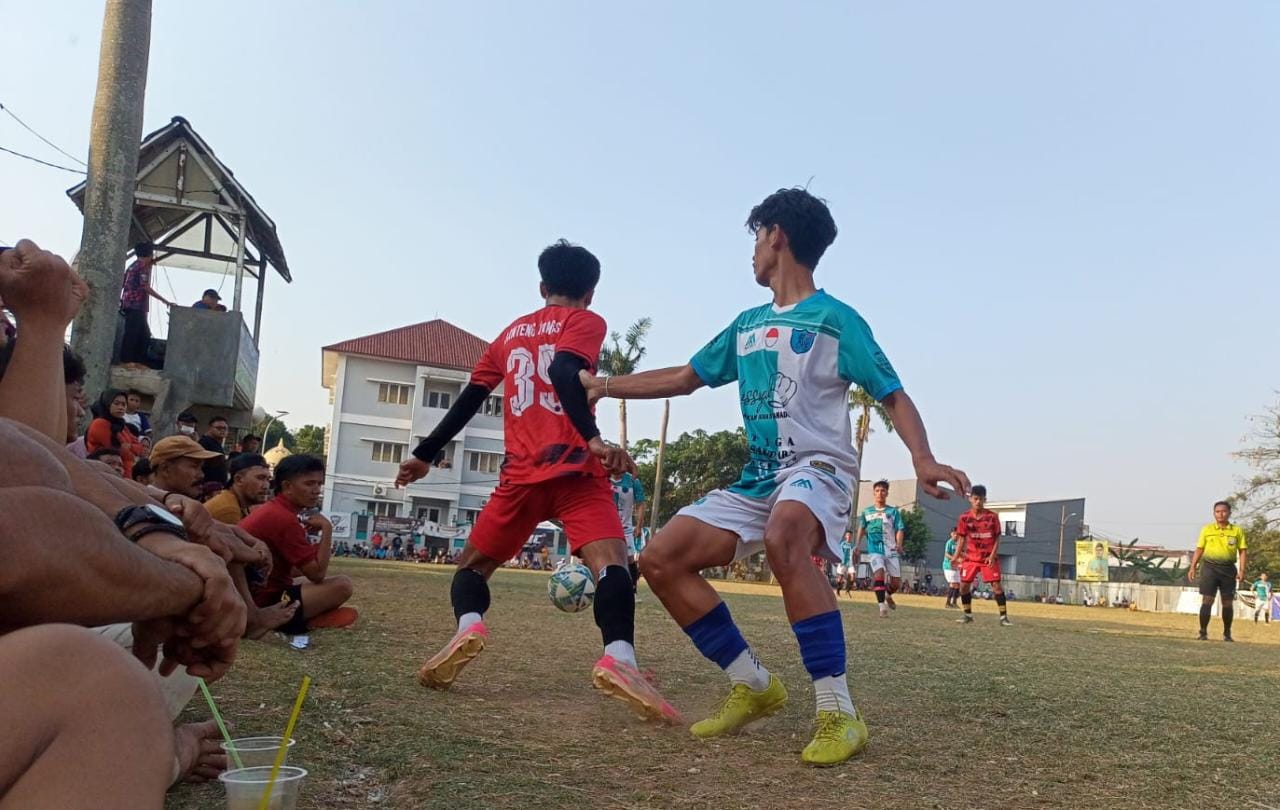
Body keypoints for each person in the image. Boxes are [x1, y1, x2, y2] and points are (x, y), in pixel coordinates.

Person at [579, 188, 969, 765]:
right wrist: (602, 385)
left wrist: (923, 458)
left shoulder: (836, 320)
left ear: (776, 236)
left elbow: (892, 394)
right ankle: (755, 686)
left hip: (819, 472)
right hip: (759, 478)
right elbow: (686, 377)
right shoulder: (747, 325)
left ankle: (840, 712)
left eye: (756, 238)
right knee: (660, 558)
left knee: (788, 535)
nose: (753, 252)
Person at [396, 239, 678, 723]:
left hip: (521, 474)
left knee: (471, 567)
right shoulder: (585, 322)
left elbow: (469, 398)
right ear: (590, 293)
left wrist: (424, 454)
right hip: (575, 470)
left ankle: (469, 625)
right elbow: (564, 367)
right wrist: (591, 437)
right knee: (612, 565)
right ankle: (620, 658)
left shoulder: (508, 336)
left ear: (542, 286)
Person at [241, 454, 357, 635]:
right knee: (342, 585)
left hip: (253, 589)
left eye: (319, 484)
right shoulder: (284, 518)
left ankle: (308, 617)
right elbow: (317, 574)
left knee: (310, 582)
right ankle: (295, 620)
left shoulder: (276, 510)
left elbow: (297, 571)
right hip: (261, 599)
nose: (317, 490)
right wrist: (327, 529)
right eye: (309, 484)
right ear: (287, 487)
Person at [1188, 501, 1247, 642]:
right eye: (1217, 511)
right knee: (1207, 600)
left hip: (1228, 569)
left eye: (1224, 511)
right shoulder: (1207, 530)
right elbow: (1200, 549)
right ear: (1214, 513)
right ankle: (1203, 632)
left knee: (1227, 602)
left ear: (1229, 513)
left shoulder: (1237, 530)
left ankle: (1227, 633)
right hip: (1209, 568)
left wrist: (1242, 570)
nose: (1221, 514)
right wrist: (1193, 566)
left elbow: (1243, 551)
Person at [954, 485, 1010, 626]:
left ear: (985, 499)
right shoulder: (964, 518)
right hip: (971, 558)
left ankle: (1004, 618)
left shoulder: (992, 517)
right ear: (970, 499)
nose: (978, 501)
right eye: (975, 498)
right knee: (963, 587)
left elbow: (997, 538)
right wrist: (955, 556)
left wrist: (992, 555)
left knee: (996, 586)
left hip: (987, 558)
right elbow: (961, 538)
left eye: (981, 499)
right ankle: (967, 615)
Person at [857, 479, 905, 619]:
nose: (880, 493)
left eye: (883, 491)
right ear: (874, 493)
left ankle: (888, 594)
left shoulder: (893, 512)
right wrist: (858, 545)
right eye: (877, 491)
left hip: (891, 550)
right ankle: (882, 607)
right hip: (874, 550)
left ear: (887, 493)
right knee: (879, 575)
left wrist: (899, 544)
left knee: (896, 583)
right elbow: (861, 528)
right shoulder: (867, 512)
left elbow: (900, 528)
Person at [119, 242, 171, 368]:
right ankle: (127, 360)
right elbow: (145, 287)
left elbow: (123, 283)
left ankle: (137, 361)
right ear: (149, 254)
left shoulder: (132, 266)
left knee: (143, 334)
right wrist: (165, 300)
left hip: (129, 303)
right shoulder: (143, 267)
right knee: (133, 333)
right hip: (136, 305)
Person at [85, 388, 148, 478]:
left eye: (124, 404)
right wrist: (129, 450)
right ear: (107, 404)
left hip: (125, 473)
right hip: (105, 474)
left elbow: (139, 448)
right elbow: (114, 450)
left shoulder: (122, 426)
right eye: (116, 403)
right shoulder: (99, 424)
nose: (121, 407)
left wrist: (129, 446)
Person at [204, 453, 271, 524]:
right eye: (260, 478)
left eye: (268, 479)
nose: (266, 486)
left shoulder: (233, 501)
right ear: (239, 480)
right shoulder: (229, 511)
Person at [610, 470, 647, 595]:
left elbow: (641, 504)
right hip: (606, 526)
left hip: (625, 527)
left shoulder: (633, 481)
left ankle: (633, 590)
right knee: (607, 557)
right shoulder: (603, 478)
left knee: (629, 558)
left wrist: (639, 526)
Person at [197, 416, 230, 494]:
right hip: (207, 488)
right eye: (218, 428)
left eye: (224, 428)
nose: (222, 430)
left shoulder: (216, 444)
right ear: (210, 428)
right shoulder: (205, 442)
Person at [942, 530, 961, 608]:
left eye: (957, 534)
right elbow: (946, 554)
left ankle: (954, 603)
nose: (956, 535)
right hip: (948, 566)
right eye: (954, 534)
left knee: (957, 584)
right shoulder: (949, 542)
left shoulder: (959, 543)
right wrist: (955, 559)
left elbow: (961, 553)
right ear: (951, 534)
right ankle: (948, 603)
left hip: (956, 566)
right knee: (953, 584)